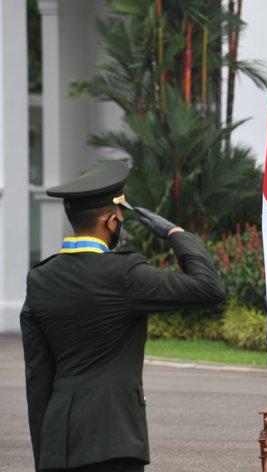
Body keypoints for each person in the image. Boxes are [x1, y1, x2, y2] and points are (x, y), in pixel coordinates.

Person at [20, 161, 225, 471]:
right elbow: (209, 287)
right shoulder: (124, 274)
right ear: (111, 220)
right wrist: (175, 233)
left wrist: (45, 454)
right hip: (114, 443)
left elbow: (38, 379)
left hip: (58, 445)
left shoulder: (40, 279)